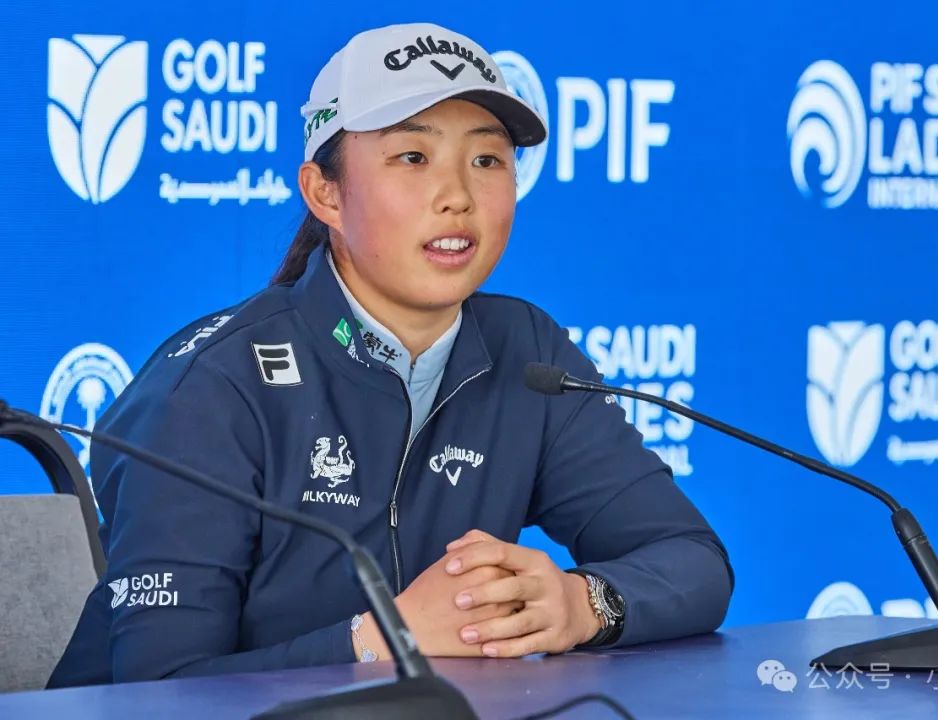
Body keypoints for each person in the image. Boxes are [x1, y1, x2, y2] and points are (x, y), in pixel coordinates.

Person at [49, 22, 733, 686]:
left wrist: (583, 604)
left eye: (487, 161)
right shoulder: (212, 386)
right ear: (325, 193)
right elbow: (159, 689)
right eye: (413, 157)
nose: (458, 197)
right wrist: (383, 641)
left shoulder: (527, 351)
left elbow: (693, 561)